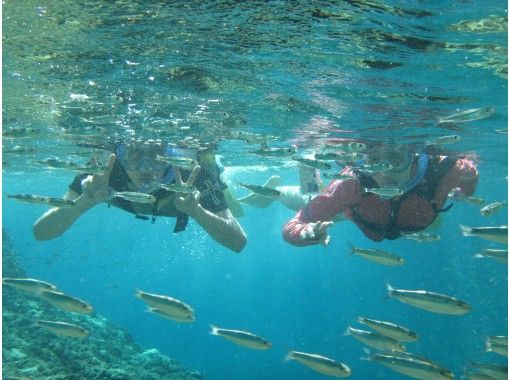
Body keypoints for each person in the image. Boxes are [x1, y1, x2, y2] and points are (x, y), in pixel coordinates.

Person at [33, 140, 247, 253]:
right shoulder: (103, 172)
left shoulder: (193, 176)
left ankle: (229, 188)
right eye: (134, 156)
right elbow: (41, 232)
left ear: (170, 158)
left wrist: (197, 211)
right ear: (119, 155)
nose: (147, 169)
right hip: (158, 204)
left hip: (185, 203)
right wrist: (83, 202)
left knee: (233, 207)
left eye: (158, 158)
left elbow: (238, 243)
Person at [282, 142, 479, 247]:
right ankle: (304, 171)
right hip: (350, 210)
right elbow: (292, 227)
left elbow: (471, 177)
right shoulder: (351, 185)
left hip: (390, 216)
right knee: (311, 199)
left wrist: (463, 192)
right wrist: (306, 233)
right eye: (374, 162)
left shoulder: (447, 169)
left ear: (414, 156)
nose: (385, 172)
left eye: (396, 157)